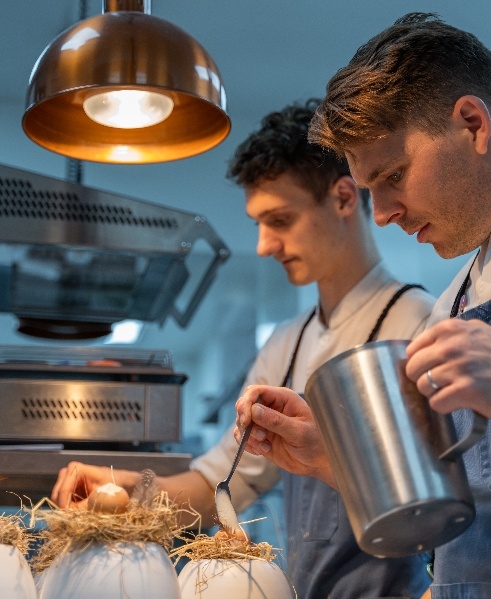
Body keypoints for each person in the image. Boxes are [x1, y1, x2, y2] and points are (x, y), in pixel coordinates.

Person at [233, 13, 491, 599]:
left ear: (471, 123)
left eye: (393, 175)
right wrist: (329, 457)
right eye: (369, 191)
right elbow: (469, 503)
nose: (382, 213)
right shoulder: (456, 299)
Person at [51, 99, 435, 599]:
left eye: (279, 219)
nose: (262, 245)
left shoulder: (419, 323)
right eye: (257, 223)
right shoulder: (286, 345)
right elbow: (219, 484)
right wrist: (128, 491)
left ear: (344, 198)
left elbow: (448, 503)